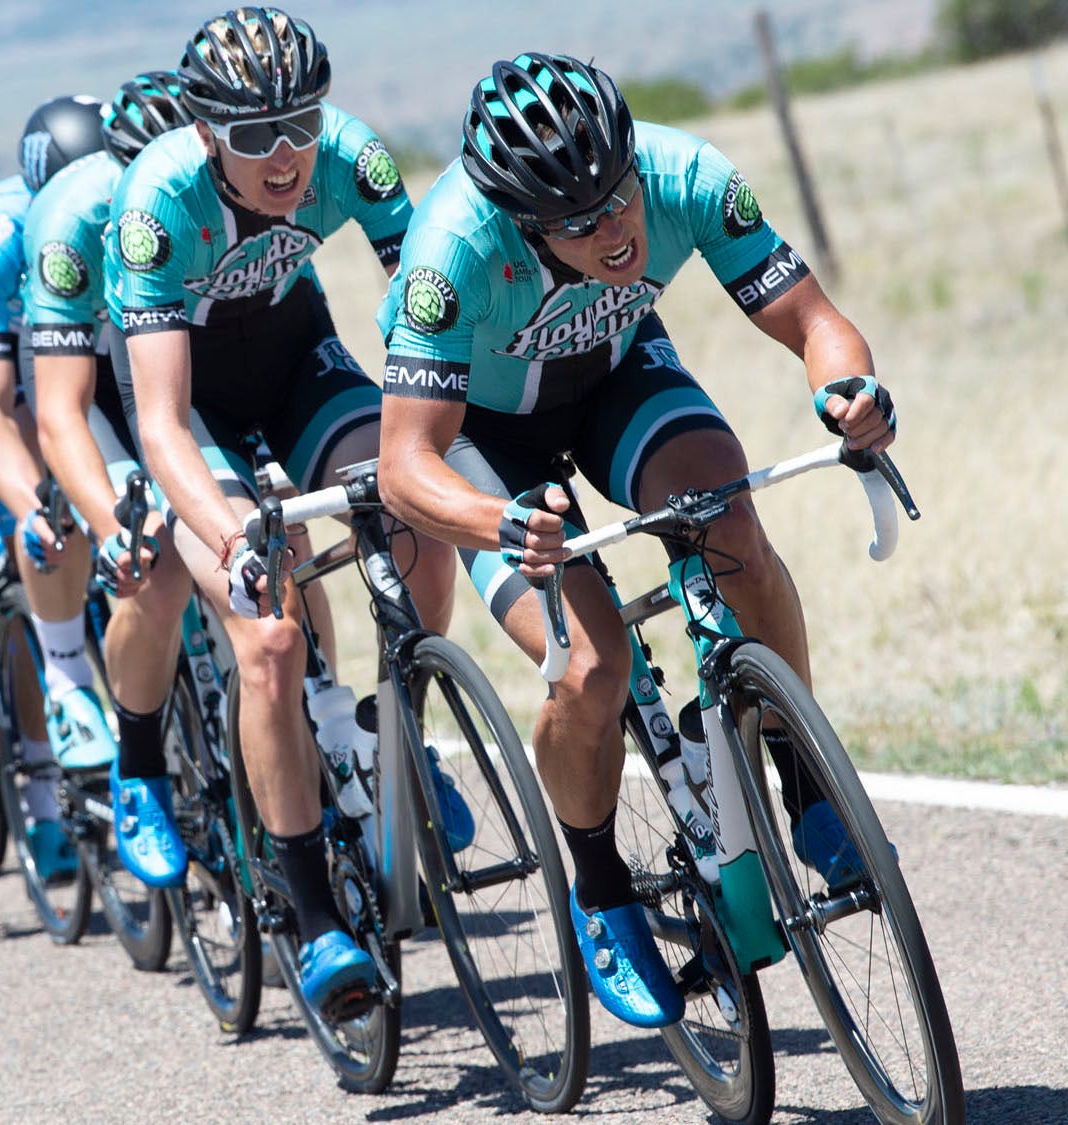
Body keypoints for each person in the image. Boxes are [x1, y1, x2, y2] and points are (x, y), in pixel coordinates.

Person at [375, 54, 897, 1029]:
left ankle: (799, 783)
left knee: (732, 526)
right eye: (575, 223)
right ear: (522, 221)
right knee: (591, 665)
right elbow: (404, 465)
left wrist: (847, 393)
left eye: (615, 199)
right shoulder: (449, 253)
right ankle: (598, 886)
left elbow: (814, 323)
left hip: (615, 375)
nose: (612, 229)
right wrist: (501, 525)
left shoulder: (685, 174)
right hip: (487, 442)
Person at [109, 7, 460, 1019]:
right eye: (254, 134)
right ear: (207, 132)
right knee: (264, 637)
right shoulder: (157, 202)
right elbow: (163, 422)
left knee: (410, 508)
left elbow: (416, 321)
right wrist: (228, 537)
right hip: (197, 410)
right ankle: (311, 920)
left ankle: (394, 739)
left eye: (298, 122)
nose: (284, 153)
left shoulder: (354, 157)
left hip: (300, 362)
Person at [26, 70, 198, 886]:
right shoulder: (56, 231)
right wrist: (108, 524)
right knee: (147, 560)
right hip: (86, 395)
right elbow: (48, 412)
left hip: (155, 384)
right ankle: (100, 710)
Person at [0, 94, 113, 878]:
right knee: (53, 510)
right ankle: (66, 675)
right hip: (19, 376)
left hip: (109, 350)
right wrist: (34, 505)